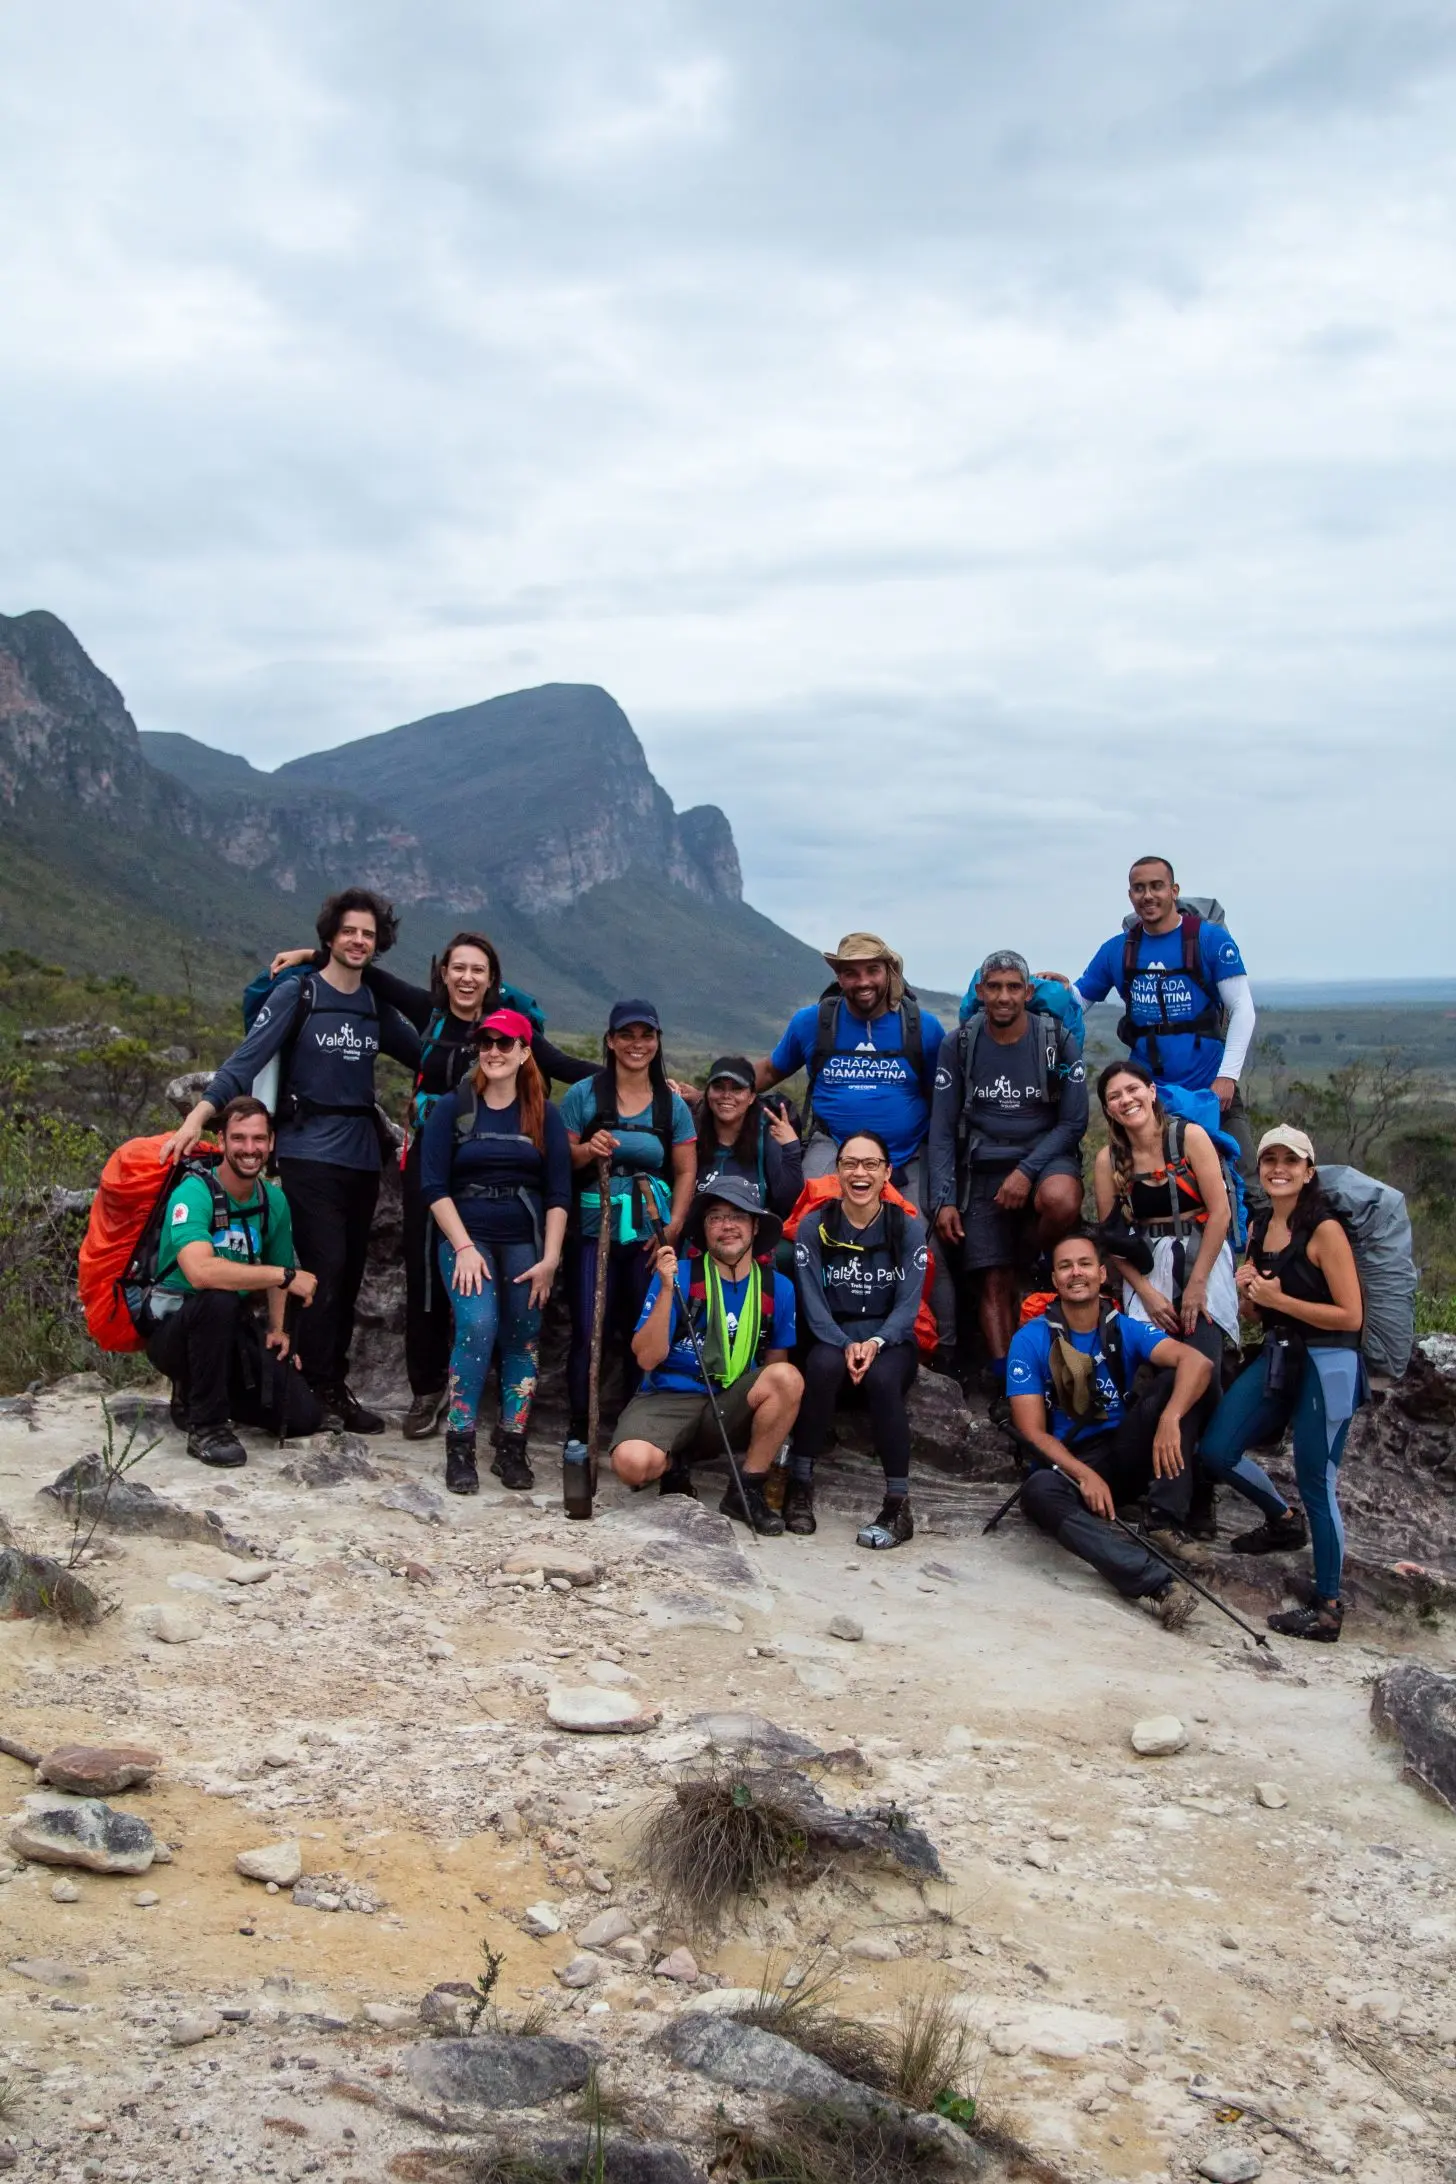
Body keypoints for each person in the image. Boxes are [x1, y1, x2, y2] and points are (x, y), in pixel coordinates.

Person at [268, 929, 591, 1439]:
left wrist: (635, 1079)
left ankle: (497, 1399)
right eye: (458, 967)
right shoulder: (430, 1013)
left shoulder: (510, 1030)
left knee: (502, 1280)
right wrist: (313, 955)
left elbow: (565, 1066)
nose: (467, 978)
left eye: (477, 970)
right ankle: (426, 1388)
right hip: (433, 1160)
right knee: (423, 1274)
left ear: (491, 979)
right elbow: (373, 974)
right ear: (444, 973)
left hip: (493, 1166)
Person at [163, 889, 421, 1432]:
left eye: (368, 934)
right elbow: (245, 1061)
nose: (358, 940)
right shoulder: (299, 995)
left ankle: (329, 1382)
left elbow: (431, 1052)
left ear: (378, 945)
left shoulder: (375, 1005)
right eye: (349, 930)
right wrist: (197, 1117)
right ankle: (304, 1383)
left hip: (360, 1157)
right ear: (329, 935)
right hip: (307, 1152)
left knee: (348, 1275)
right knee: (321, 1269)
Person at [1197, 1126, 1367, 1643]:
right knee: (1217, 1449)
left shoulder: (1325, 1231)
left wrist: (1277, 1301)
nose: (1277, 1168)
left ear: (1308, 1171)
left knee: (1317, 1479)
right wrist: (1250, 1297)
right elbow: (1256, 1311)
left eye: (1289, 1161)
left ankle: (1328, 1607)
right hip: (1280, 1355)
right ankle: (1281, 1518)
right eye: (1269, 1158)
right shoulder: (1261, 1224)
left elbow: (1350, 1315)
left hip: (1330, 1361)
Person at [1008, 1229, 1216, 1622]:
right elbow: (1032, 1433)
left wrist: (1170, 1418)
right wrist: (1085, 1475)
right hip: (1071, 1461)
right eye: (1065, 1267)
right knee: (1038, 1491)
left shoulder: (1124, 1327)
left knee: (1181, 1381)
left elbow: (1198, 1363)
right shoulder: (1030, 1339)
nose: (1076, 1273)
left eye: (1085, 1264)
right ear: (1054, 1280)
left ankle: (1164, 1515)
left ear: (1102, 1274)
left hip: (1126, 1447)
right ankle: (1158, 1585)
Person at [928, 951, 1086, 1420]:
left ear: (1028, 992)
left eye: (1012, 987)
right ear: (980, 993)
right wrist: (943, 1200)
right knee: (992, 1279)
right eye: (993, 987)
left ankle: (1034, 1255)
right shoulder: (960, 1044)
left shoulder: (1056, 1041)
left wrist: (1027, 1171)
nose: (1002, 996)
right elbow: (941, 1128)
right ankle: (1003, 1378)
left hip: (1046, 1156)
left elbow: (1074, 1121)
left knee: (1058, 1198)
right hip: (983, 1166)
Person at [420, 1007, 571, 1496]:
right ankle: (460, 1446)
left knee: (523, 1337)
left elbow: (558, 1194)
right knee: (478, 1323)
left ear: (525, 1052)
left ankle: (513, 1446)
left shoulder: (544, 1114)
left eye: (505, 1044)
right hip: (467, 1236)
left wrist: (549, 1259)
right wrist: (462, 1245)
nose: (493, 1052)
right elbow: (433, 1184)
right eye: (486, 1043)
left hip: (525, 1238)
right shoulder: (453, 1107)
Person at [611, 1175, 803, 1535]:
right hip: (671, 1395)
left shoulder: (777, 1286)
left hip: (729, 1399)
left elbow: (777, 1367)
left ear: (754, 1226)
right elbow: (647, 1359)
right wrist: (667, 1289)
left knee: (788, 1378)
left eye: (738, 1215)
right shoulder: (679, 1275)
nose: (727, 1225)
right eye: (715, 1216)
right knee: (631, 1465)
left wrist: (773, 1431)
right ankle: (674, 1462)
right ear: (704, 1228)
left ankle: (745, 1490)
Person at [1050, 857, 1257, 1175]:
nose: (1148, 895)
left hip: (1211, 1087)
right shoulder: (1117, 950)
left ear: (1174, 890)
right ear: (1130, 895)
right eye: (1139, 888)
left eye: (1156, 886)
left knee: (1243, 1178)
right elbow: (1078, 1002)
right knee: (1150, 1183)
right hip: (1148, 1095)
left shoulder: (1210, 940)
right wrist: (1053, 993)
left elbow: (1243, 1007)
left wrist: (1227, 1077)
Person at [145, 1096, 321, 1466]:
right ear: (221, 1141)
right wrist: (287, 1277)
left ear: (271, 1142)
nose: (249, 1149)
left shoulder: (272, 1201)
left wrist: (277, 1328)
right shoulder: (194, 1193)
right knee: (218, 1298)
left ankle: (203, 1393)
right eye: (238, 1138)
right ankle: (206, 1426)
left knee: (302, 1416)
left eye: (258, 1139)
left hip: (230, 1332)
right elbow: (201, 1272)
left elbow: (278, 1260)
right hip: (175, 1329)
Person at [558, 1001, 698, 1464]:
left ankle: (635, 1426)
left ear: (657, 1041)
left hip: (647, 1237)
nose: (637, 1044)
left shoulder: (670, 1104)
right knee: (587, 1330)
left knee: (639, 1333)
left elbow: (685, 1172)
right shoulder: (584, 1095)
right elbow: (563, 1158)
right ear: (611, 1040)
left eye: (646, 1035)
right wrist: (587, 1151)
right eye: (628, 1035)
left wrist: (672, 1230)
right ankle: (581, 1426)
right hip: (592, 1233)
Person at [788, 1129, 929, 1549]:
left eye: (871, 1164)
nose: (860, 1172)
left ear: (887, 1173)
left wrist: (877, 1342)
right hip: (834, 1335)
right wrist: (844, 1342)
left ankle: (897, 1503)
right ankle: (799, 1483)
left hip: (889, 1338)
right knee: (820, 1365)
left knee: (884, 1380)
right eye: (850, 1163)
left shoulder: (906, 1228)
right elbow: (812, 1302)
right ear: (838, 1171)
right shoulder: (815, 1225)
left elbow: (908, 1304)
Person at [754, 933, 946, 1184]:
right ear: (840, 979)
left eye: (872, 970)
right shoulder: (813, 1023)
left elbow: (945, 1093)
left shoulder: (922, 1027)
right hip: (832, 1147)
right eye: (851, 973)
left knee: (917, 1223)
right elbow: (769, 1071)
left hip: (907, 1154)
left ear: (889, 972)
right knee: (810, 1214)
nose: (863, 981)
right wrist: (714, 1092)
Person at [690, 1056, 804, 1219]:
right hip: (700, 1235)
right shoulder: (692, 1135)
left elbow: (788, 1204)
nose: (726, 1095)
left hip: (755, 1235)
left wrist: (791, 1149)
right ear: (707, 1093)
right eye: (718, 1087)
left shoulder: (767, 1137)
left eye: (737, 1089)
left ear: (751, 1097)